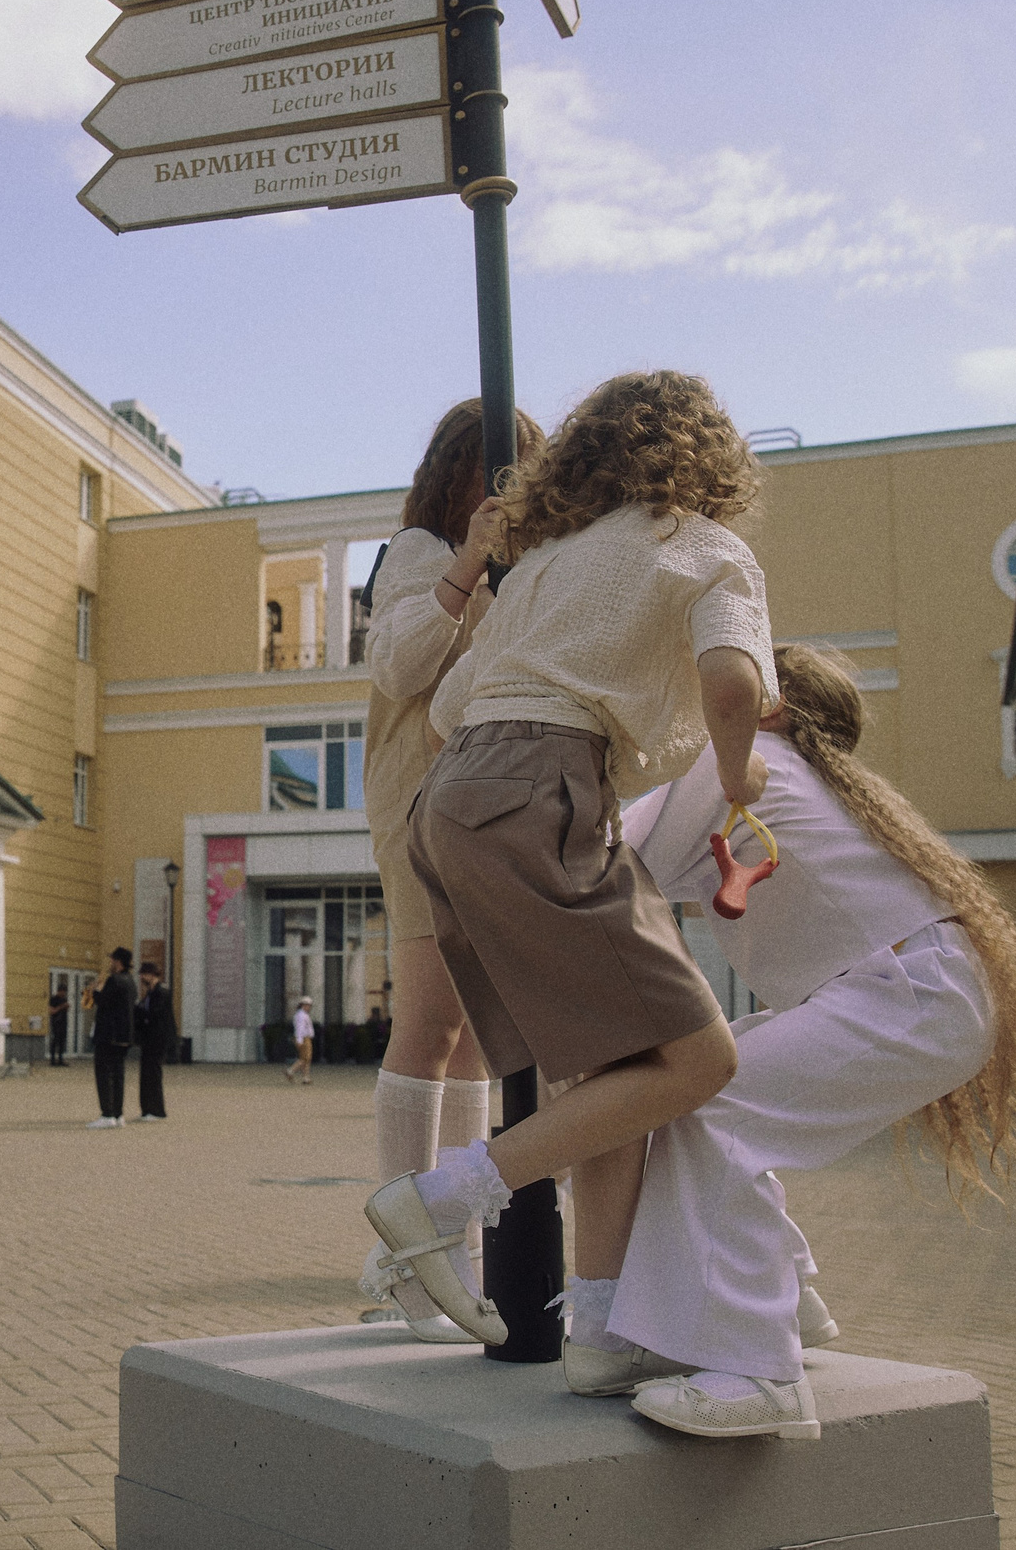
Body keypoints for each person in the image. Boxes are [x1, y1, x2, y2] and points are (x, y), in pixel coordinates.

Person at [566, 645, 1016, 1438]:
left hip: (905, 992)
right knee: (704, 1098)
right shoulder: (780, 775)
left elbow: (605, 861)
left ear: (767, 708)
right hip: (916, 988)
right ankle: (791, 1302)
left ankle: (757, 1368)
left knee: (713, 1108)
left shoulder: (741, 767)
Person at [369, 370, 776, 1350]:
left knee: (616, 1070)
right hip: (545, 791)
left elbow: (444, 711)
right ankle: (438, 1198)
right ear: (712, 463)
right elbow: (731, 684)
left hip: (451, 803)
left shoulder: (550, 561)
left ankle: (597, 1331)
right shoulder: (708, 547)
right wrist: (741, 774)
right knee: (700, 1056)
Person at [358, 400, 540, 1340]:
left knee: (475, 1036)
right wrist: (467, 564)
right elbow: (397, 668)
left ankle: (452, 1251)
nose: (508, 491)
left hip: (490, 803)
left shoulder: (524, 569)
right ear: (455, 474)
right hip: (420, 803)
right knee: (431, 1023)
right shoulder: (417, 552)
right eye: (495, 471)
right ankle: (404, 1262)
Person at [86, 949, 135, 1129]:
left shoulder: (114, 980)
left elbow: (104, 1002)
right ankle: (118, 1114)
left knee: (104, 1074)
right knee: (118, 1075)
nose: (110, 963)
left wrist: (95, 990)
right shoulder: (131, 981)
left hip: (108, 1035)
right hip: (123, 1035)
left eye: (112, 959)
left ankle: (107, 1114)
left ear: (118, 961)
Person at [134, 960, 171, 1121]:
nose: (142, 977)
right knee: (146, 1075)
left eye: (144, 974)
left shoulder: (161, 992)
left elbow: (155, 1014)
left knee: (154, 1076)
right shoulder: (149, 993)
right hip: (148, 1040)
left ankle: (157, 1111)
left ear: (151, 974)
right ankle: (147, 1109)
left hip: (157, 1040)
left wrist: (140, 1012)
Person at [284, 997, 315, 1086]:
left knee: (306, 1058)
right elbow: (300, 1029)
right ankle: (290, 1071)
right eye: (308, 1005)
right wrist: (299, 1040)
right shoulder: (301, 1016)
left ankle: (306, 1077)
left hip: (305, 1038)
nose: (309, 1007)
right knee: (305, 1058)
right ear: (303, 1005)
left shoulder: (302, 1014)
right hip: (304, 1038)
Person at [46, 981, 70, 1068]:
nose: (64, 993)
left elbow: (65, 1010)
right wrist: (61, 1007)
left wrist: (66, 1007)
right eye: (63, 991)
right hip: (56, 1023)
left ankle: (60, 1059)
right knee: (55, 1041)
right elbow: (52, 1011)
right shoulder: (53, 999)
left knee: (62, 1042)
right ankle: (52, 1060)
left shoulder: (64, 999)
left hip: (63, 1022)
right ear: (59, 991)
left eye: (65, 992)